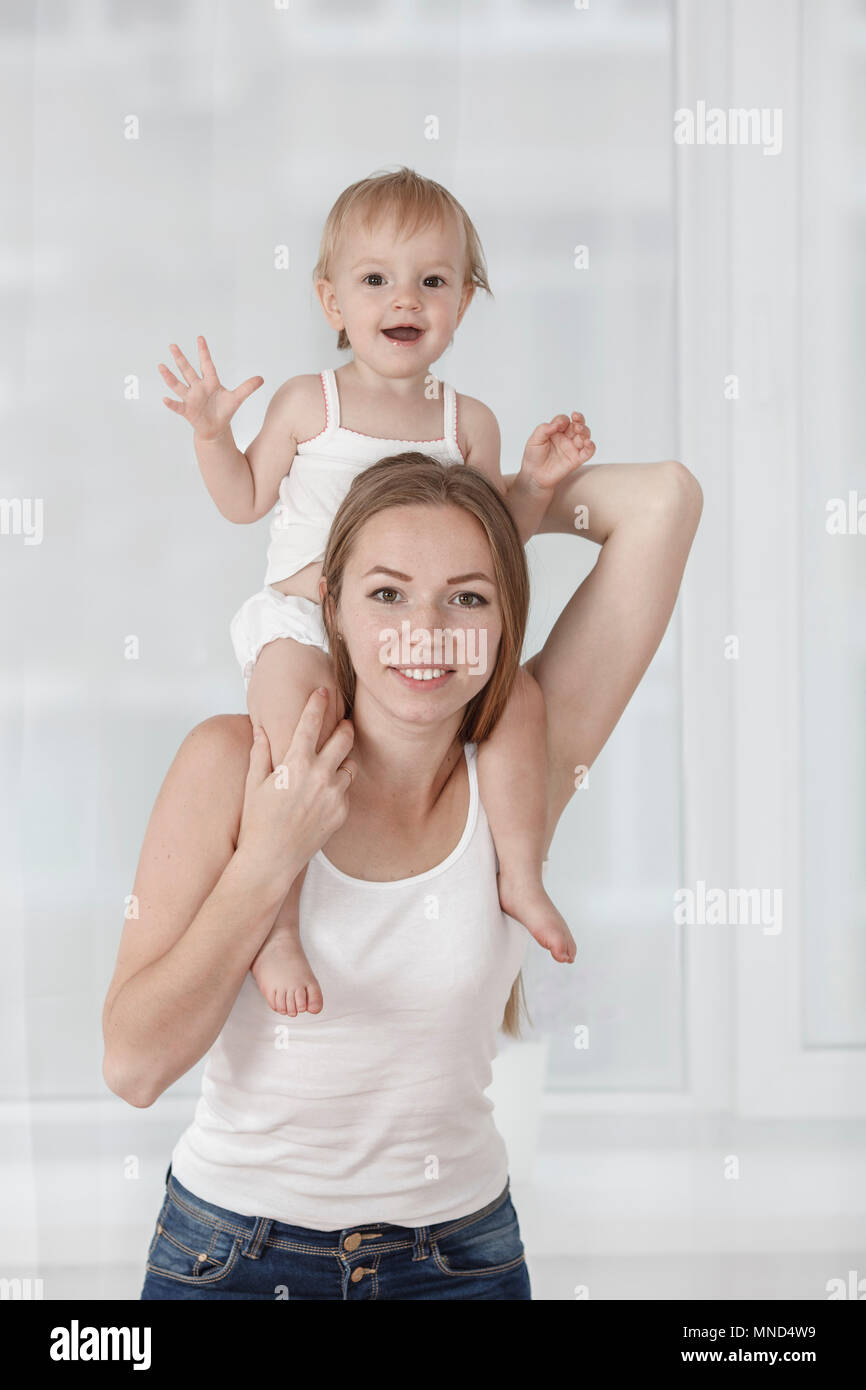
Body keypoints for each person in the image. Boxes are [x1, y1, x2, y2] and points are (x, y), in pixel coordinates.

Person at [102, 450, 702, 1301]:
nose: (427, 629)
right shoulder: (230, 763)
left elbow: (663, 500)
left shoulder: (521, 768)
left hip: (459, 1262)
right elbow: (133, 1068)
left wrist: (507, 505)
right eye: (387, 593)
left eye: (468, 596)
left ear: (501, 623)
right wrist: (270, 856)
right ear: (331, 609)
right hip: (231, 1259)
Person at [158, 165, 594, 1020]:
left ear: (463, 304)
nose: (406, 299)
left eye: (433, 281)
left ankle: (521, 876)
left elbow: (490, 536)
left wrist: (536, 486)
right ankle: (276, 923)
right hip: (304, 622)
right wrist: (213, 436)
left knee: (520, 699)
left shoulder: (465, 422)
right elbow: (244, 498)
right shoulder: (307, 405)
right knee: (293, 736)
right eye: (376, 280)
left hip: (413, 633)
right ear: (332, 303)